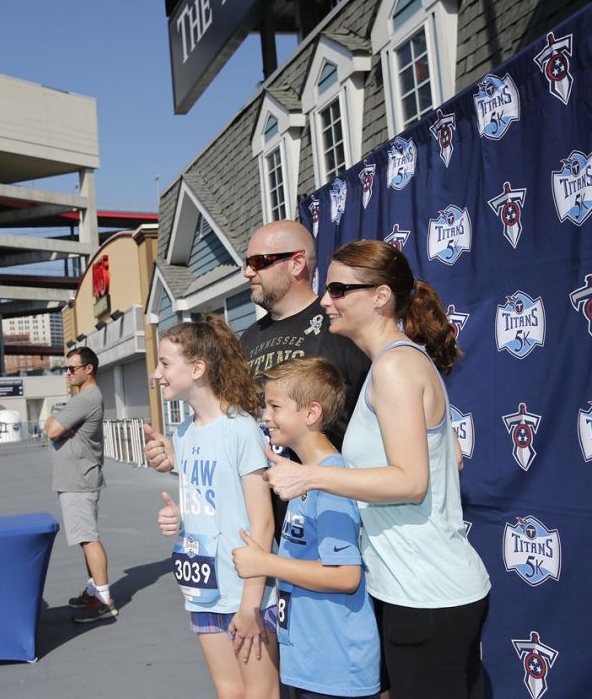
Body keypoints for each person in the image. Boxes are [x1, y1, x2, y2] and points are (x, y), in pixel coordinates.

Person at [263, 240, 491, 699]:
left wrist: (311, 476)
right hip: (417, 591)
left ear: (381, 296)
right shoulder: (392, 364)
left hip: (427, 595)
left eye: (338, 290)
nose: (326, 300)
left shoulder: (396, 367)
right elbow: (445, 457)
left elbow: (410, 481)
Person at [146, 220, 370, 529]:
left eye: (258, 262)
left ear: (297, 263)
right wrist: (179, 451)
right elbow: (228, 419)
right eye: (246, 263)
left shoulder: (340, 327)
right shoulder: (247, 339)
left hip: (331, 514)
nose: (248, 272)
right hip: (263, 517)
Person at [231, 357, 381, 699]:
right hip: (310, 666)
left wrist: (267, 563)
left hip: (336, 671)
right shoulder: (301, 476)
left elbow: (346, 575)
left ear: (311, 413)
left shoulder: (330, 483)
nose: (265, 415)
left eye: (274, 406)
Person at [153, 315, 280, 699]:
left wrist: (249, 605)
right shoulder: (184, 432)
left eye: (164, 364)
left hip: (245, 590)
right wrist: (177, 517)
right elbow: (207, 504)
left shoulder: (241, 429)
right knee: (229, 691)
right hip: (203, 587)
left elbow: (263, 525)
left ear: (197, 368)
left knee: (260, 692)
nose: (157, 374)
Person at [44, 347, 116, 623]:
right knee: (84, 538)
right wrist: (57, 420)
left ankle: (103, 600)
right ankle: (93, 588)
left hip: (78, 479)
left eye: (73, 368)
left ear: (89, 369)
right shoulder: (84, 398)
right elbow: (53, 424)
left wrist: (56, 420)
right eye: (67, 368)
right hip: (75, 477)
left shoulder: (86, 398)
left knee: (88, 537)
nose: (68, 373)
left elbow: (51, 429)